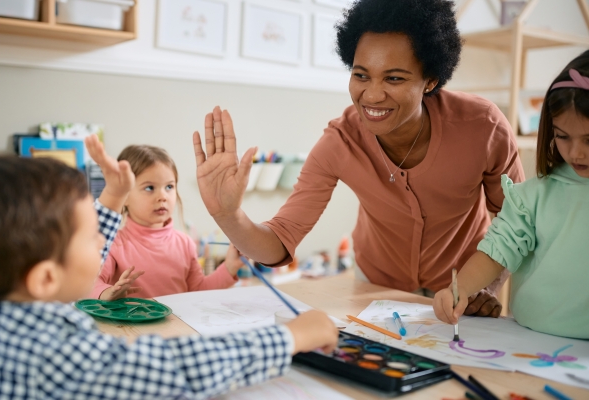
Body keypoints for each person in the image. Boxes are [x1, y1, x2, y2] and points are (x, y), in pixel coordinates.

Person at [0, 135, 339, 399]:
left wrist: (109, 200)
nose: (103, 238)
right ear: (46, 278)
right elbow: (178, 369)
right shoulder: (53, 357)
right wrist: (287, 337)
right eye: (92, 236)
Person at [192, 0, 524, 317]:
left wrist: (486, 287)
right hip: (376, 289)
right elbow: (279, 243)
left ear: (430, 80)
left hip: (461, 290)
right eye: (361, 75)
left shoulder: (482, 127)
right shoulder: (341, 141)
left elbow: (516, 222)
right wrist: (228, 214)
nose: (373, 94)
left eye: (394, 78)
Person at [432, 51, 589, 339]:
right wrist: (459, 290)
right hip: (527, 340)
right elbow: (496, 252)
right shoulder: (533, 196)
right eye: (563, 136)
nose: (576, 152)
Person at [90, 144, 244, 300]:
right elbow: (91, 283)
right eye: (150, 188)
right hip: (132, 325)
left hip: (179, 324)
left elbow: (198, 291)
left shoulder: (185, 243)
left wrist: (229, 267)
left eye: (169, 186)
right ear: (125, 195)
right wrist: (107, 292)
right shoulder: (113, 243)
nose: (162, 196)